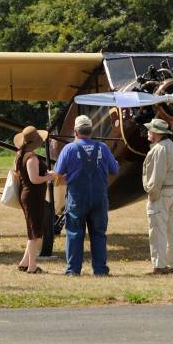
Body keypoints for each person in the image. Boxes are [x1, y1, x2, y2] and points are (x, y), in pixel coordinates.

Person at [54, 114, 119, 276]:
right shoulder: (103, 147)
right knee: (98, 234)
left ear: (75, 132)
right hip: (99, 197)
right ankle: (100, 270)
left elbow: (59, 172)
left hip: (77, 197)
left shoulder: (69, 149)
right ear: (91, 131)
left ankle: (73, 270)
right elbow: (114, 169)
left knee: (74, 233)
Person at [142, 118, 173, 275]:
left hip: (161, 193)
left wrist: (152, 195)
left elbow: (156, 176)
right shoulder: (171, 146)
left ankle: (159, 266)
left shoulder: (159, 149)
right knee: (171, 230)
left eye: (150, 130)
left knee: (157, 230)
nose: (148, 132)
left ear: (156, 133)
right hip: (172, 192)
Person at [14, 126, 56, 274]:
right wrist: (49, 177)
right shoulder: (31, 158)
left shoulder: (20, 155)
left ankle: (24, 262)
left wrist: (46, 174)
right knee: (35, 233)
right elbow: (34, 179)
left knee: (32, 231)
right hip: (33, 197)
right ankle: (32, 267)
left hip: (27, 195)